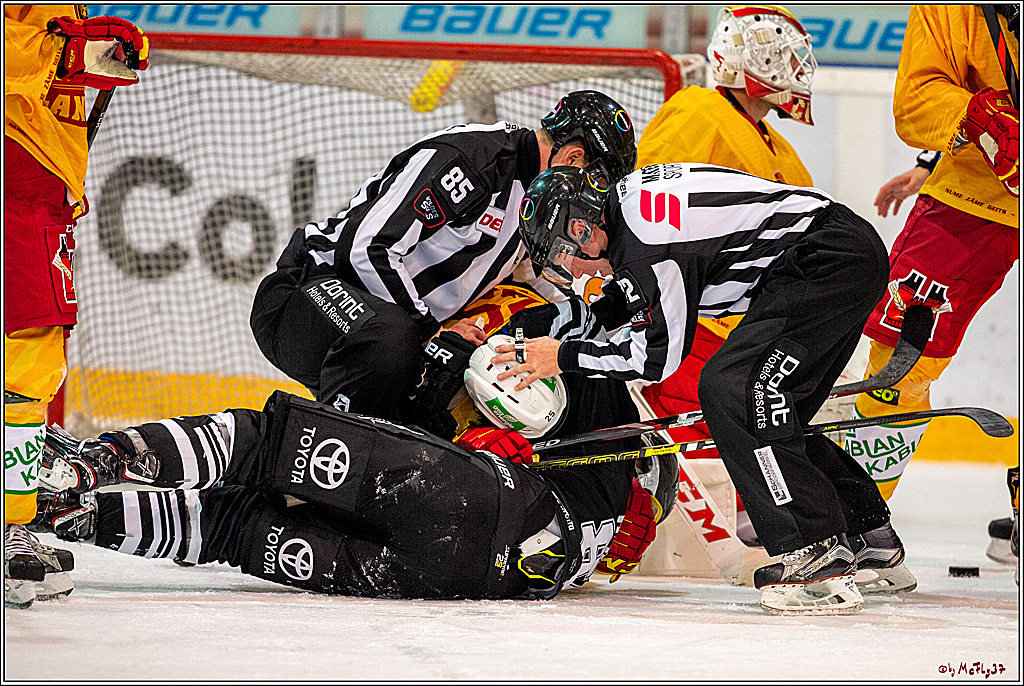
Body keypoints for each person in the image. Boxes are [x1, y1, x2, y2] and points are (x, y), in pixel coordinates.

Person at [497, 164, 900, 615]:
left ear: (582, 229)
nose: (567, 269)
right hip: (841, 253)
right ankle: (869, 535)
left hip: (821, 262)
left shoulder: (645, 243)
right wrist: (520, 329)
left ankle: (816, 553)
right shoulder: (632, 212)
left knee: (734, 391)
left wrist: (562, 357)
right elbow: (614, 309)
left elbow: (655, 360)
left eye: (562, 254)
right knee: (774, 414)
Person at [249, 91, 637, 432]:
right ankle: (320, 462)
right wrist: (431, 329)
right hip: (307, 292)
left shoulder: (540, 198)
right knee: (393, 341)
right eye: (595, 184)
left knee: (442, 398)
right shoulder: (471, 160)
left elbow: (534, 282)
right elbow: (366, 247)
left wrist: (604, 320)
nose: (591, 200)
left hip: (383, 323)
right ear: (573, 156)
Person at [31, 391, 658, 601]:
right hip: (473, 576)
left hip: (471, 496)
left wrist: (483, 437)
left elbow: (509, 391)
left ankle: (89, 464)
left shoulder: (598, 385)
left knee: (268, 442)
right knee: (236, 533)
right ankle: (77, 520)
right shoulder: (637, 494)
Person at [627, 3, 821, 559]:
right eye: (779, 55)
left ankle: (802, 520)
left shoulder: (778, 147)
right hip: (701, 318)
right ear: (747, 60)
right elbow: (653, 212)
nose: (794, 66)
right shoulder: (696, 111)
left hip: (750, 321)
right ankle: (739, 525)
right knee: (714, 411)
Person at [840, 5, 1018, 574]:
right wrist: (971, 121)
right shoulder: (949, 7)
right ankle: (862, 525)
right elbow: (918, 96)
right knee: (899, 356)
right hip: (976, 189)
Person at [5, 4, 148, 609]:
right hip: (15, 167)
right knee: (20, 364)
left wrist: (91, 50)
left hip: (40, 178)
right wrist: (72, 50)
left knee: (31, 364)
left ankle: (11, 519)